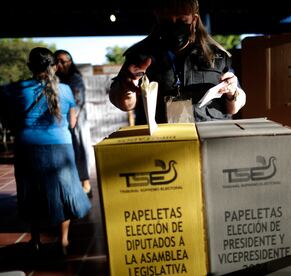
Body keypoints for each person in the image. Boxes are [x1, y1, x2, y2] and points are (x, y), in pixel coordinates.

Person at [0, 47, 91, 255]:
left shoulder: (16, 89)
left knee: (31, 192)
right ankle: (64, 242)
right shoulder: (66, 90)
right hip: (61, 146)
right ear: (53, 67)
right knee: (64, 192)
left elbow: (8, 116)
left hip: (27, 147)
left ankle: (36, 241)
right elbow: (72, 122)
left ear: (30, 67)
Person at [109, 0, 246, 124]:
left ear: (194, 19)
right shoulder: (139, 56)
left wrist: (232, 92)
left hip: (209, 138)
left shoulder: (217, 55)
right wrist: (127, 89)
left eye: (182, 20)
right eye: (167, 21)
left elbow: (234, 107)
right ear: (158, 19)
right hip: (162, 140)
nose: (174, 26)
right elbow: (122, 103)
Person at [54, 49, 92, 198]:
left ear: (70, 62)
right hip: (61, 124)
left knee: (81, 150)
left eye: (63, 61)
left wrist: (67, 118)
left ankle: (86, 183)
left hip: (77, 122)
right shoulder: (53, 80)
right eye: (56, 61)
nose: (59, 64)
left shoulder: (75, 78)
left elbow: (77, 101)